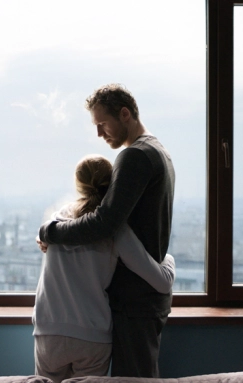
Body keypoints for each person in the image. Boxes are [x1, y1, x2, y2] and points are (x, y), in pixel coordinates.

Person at [37, 84, 175, 378]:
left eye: (102, 124)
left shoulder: (134, 156)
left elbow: (105, 222)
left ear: (125, 114)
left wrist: (50, 231)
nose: (99, 134)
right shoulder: (160, 152)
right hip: (146, 290)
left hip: (134, 299)